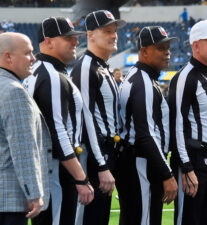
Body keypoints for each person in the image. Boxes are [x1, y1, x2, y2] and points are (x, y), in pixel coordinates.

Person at [23, 16, 94, 225]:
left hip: (48, 167)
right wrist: (81, 177)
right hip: (56, 170)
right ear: (49, 41)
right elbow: (57, 131)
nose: (75, 42)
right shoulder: (51, 75)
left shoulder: (40, 71)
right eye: (67, 38)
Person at [168, 19, 207, 225]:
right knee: (189, 219)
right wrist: (186, 167)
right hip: (193, 159)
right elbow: (176, 126)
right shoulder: (185, 77)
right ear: (196, 46)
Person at [70, 10, 126, 225]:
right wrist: (101, 165)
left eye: (115, 31)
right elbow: (85, 118)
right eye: (107, 31)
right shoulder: (86, 67)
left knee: (101, 216)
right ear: (90, 35)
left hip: (106, 152)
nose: (114, 36)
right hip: (95, 156)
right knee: (90, 217)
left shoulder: (104, 67)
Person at [119, 26, 179, 225]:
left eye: (168, 47)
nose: (167, 52)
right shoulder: (143, 82)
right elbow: (144, 134)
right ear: (144, 51)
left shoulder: (139, 77)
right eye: (161, 48)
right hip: (141, 163)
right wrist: (167, 173)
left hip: (136, 162)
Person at [0, 32, 51, 225]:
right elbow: (23, 148)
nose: (33, 58)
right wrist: (34, 193)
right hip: (9, 199)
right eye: (28, 53)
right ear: (8, 57)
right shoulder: (14, 92)